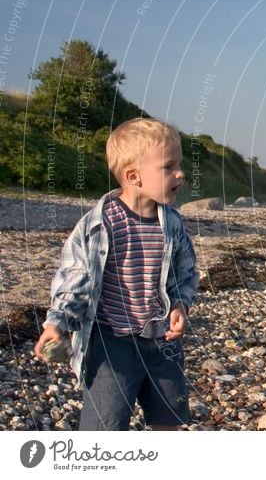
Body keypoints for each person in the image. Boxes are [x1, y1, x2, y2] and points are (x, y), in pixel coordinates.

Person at [34, 117, 199, 430]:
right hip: (111, 344)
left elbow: (185, 273)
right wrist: (58, 323)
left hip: (162, 341)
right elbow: (75, 279)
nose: (180, 173)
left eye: (179, 164)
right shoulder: (99, 225)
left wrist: (180, 303)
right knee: (105, 425)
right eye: (168, 167)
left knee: (169, 419)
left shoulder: (173, 225)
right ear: (134, 176)